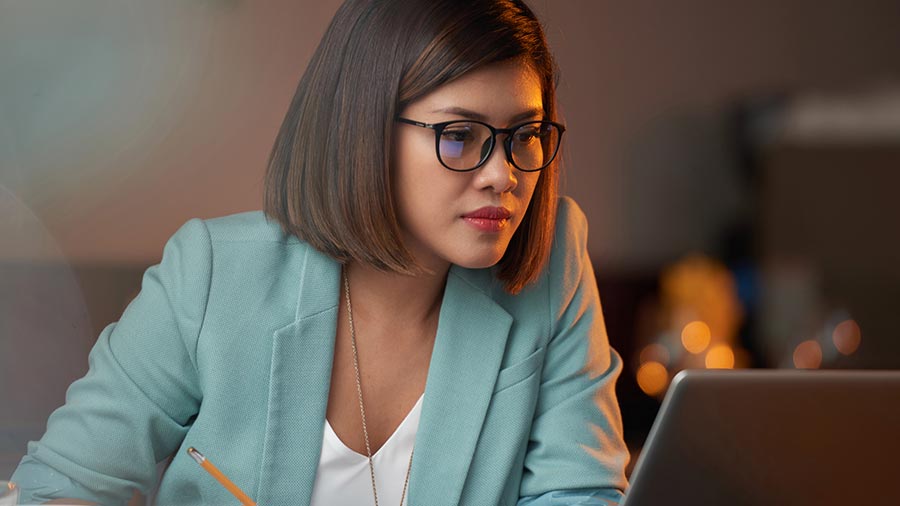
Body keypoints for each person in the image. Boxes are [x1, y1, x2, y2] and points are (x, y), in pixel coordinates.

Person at [11, 0, 630, 504]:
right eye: (460, 135)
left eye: (525, 135)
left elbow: (579, 494)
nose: (503, 174)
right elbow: (60, 489)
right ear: (361, 130)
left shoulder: (553, 266)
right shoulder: (213, 273)